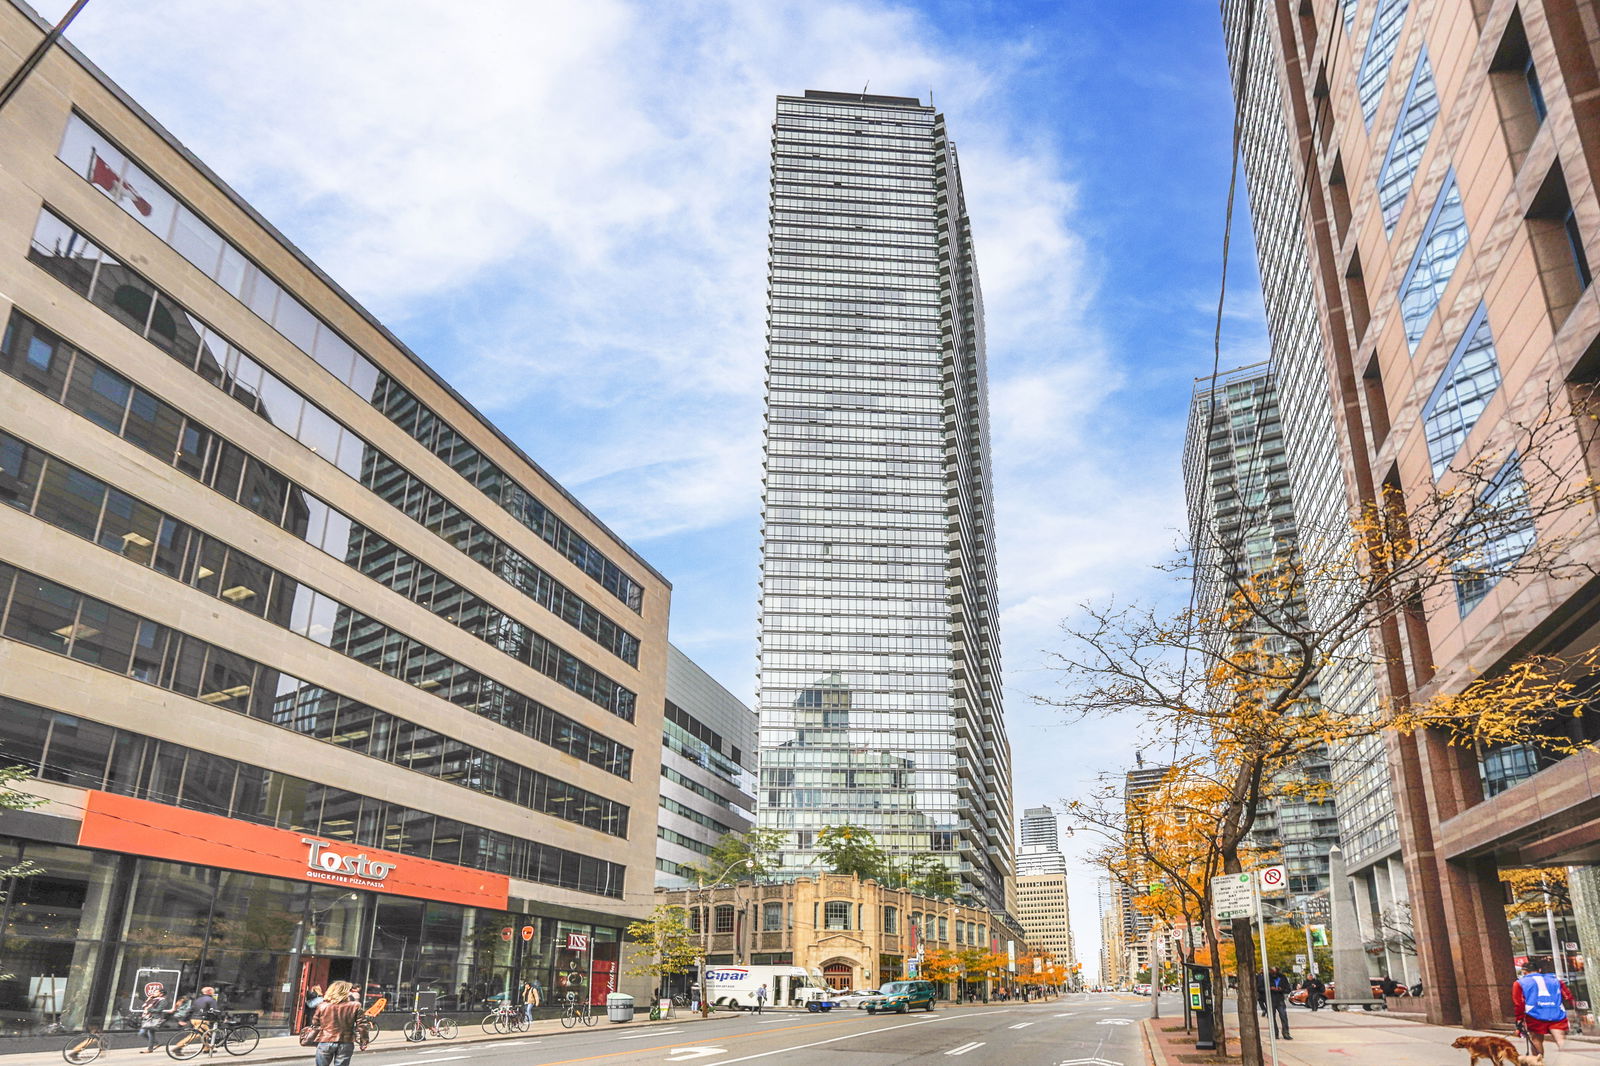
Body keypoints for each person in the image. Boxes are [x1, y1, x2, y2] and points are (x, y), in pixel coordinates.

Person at [1513, 960, 1575, 1060]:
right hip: (1556, 1012)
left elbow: (1519, 1003)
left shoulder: (1519, 983)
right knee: (1560, 1039)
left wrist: (1519, 1019)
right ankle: (1568, 1061)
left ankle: (1539, 1062)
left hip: (1534, 1014)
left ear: (1524, 972)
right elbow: (1567, 996)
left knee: (1536, 1039)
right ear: (1540, 970)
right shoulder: (1555, 979)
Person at [307, 980, 361, 1066]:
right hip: (346, 1041)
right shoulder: (355, 1006)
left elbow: (315, 1023)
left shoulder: (322, 1006)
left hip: (326, 1040)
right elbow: (362, 1025)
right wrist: (364, 1041)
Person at [1267, 968, 1292, 1040]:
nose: (1274, 972)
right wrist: (1270, 988)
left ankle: (1286, 1033)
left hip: (1280, 1000)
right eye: (1272, 971)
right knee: (1271, 1018)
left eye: (1275, 971)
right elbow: (1260, 988)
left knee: (1283, 1016)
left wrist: (1281, 989)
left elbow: (1288, 989)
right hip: (1270, 999)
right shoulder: (1266, 978)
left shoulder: (1282, 977)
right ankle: (1275, 1033)